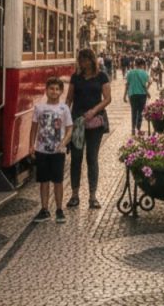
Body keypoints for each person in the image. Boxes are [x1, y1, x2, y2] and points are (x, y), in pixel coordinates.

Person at [66, 48, 112, 209]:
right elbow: (69, 100)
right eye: (81, 60)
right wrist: (66, 121)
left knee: (92, 158)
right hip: (77, 121)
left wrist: (94, 110)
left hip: (95, 122)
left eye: (85, 60)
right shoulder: (75, 77)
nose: (83, 63)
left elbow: (107, 99)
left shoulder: (101, 76)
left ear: (92, 60)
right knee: (76, 158)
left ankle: (93, 196)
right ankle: (74, 194)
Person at [29, 77, 74, 223]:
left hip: (57, 152)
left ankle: (59, 209)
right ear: (46, 90)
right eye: (51, 89)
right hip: (42, 150)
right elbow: (34, 128)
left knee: (58, 181)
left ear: (61, 91)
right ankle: (44, 209)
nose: (54, 92)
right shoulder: (39, 108)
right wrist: (31, 146)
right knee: (43, 181)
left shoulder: (64, 108)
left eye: (57, 89)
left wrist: (64, 143)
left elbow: (69, 129)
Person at [124, 58, 151, 136]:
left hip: (132, 94)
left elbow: (127, 84)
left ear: (135, 64)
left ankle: (133, 129)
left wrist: (124, 95)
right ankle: (138, 129)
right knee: (140, 112)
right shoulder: (145, 73)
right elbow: (150, 82)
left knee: (133, 111)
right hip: (142, 94)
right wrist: (147, 90)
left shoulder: (129, 72)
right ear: (142, 65)